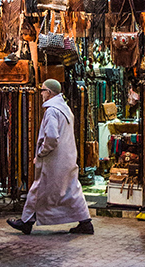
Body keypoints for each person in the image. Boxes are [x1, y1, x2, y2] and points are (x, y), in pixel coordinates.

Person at [7, 78, 94, 235]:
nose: (41, 93)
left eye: (43, 90)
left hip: (54, 160)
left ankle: (26, 222)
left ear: (49, 93)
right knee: (71, 190)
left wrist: (41, 153)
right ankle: (85, 223)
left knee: (38, 190)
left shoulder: (52, 111)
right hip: (67, 158)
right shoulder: (65, 109)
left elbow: (52, 137)